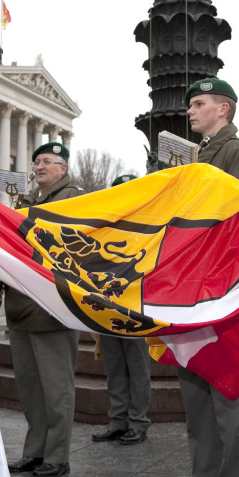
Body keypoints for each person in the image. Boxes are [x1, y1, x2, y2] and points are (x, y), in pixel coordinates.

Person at [181, 77, 239, 477]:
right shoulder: (194, 160)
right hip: (191, 292)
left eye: (199, 103)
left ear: (224, 109)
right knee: (198, 406)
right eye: (191, 105)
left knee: (228, 400)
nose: (190, 110)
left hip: (221, 293)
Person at [6, 142, 83, 477]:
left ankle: (57, 457)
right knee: (31, 389)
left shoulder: (73, 198)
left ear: (62, 169)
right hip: (22, 306)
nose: (39, 167)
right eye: (36, 161)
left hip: (53, 308)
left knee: (56, 390)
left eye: (47, 162)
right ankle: (35, 451)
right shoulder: (29, 200)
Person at [92, 174, 152, 446]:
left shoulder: (147, 224)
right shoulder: (104, 225)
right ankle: (118, 420)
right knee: (115, 365)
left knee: (137, 366)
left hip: (135, 305)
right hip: (107, 305)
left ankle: (138, 422)